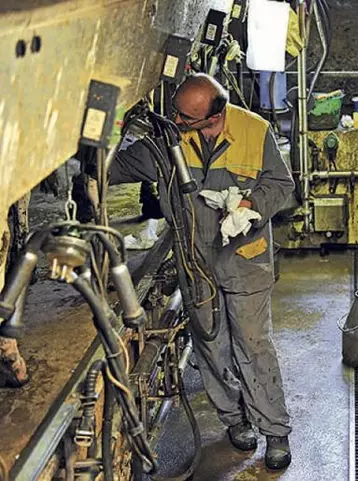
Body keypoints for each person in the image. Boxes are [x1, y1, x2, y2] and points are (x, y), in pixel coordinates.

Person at [106, 74, 294, 470]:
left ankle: (275, 430)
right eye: (175, 112)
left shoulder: (254, 131)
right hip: (196, 263)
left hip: (245, 259)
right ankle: (235, 420)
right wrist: (100, 137)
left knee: (254, 345)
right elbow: (116, 167)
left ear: (215, 115)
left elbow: (281, 183)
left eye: (184, 117)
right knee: (211, 347)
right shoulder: (168, 140)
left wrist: (251, 205)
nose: (175, 120)